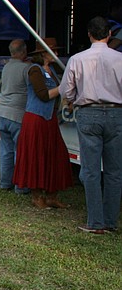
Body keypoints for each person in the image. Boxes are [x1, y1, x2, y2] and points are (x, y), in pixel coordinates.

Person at [58, 16, 122, 234]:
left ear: (89, 34)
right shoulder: (119, 58)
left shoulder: (77, 59)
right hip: (116, 113)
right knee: (114, 171)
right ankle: (111, 221)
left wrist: (74, 98)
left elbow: (65, 90)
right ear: (110, 34)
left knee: (91, 170)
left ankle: (95, 221)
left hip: (88, 112)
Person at [12, 38, 72, 209]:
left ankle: (52, 195)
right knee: (36, 155)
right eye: (54, 50)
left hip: (49, 118)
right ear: (43, 53)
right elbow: (43, 95)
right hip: (36, 119)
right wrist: (62, 88)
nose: (57, 54)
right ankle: (37, 195)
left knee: (55, 154)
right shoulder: (34, 70)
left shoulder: (51, 69)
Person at [0, 39, 31, 194]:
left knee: (6, 150)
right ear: (23, 52)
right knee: (20, 151)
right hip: (18, 115)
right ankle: (21, 186)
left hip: (2, 114)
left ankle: (5, 183)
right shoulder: (27, 69)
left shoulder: (6, 67)